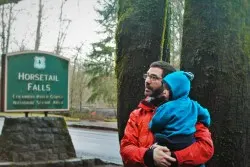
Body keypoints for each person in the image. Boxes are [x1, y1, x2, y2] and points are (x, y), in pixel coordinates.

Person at [120, 61, 214, 167]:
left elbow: (205, 148)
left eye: (154, 77)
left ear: (168, 84)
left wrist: (173, 157)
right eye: (147, 76)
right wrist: (149, 156)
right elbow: (126, 148)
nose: (147, 81)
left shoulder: (188, 112)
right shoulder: (137, 115)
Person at [149, 71, 211, 167]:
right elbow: (206, 115)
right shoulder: (194, 104)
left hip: (170, 142)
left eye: (168, 89)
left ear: (177, 89)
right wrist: (205, 123)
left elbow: (156, 123)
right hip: (188, 141)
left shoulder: (167, 106)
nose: (164, 91)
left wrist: (151, 127)